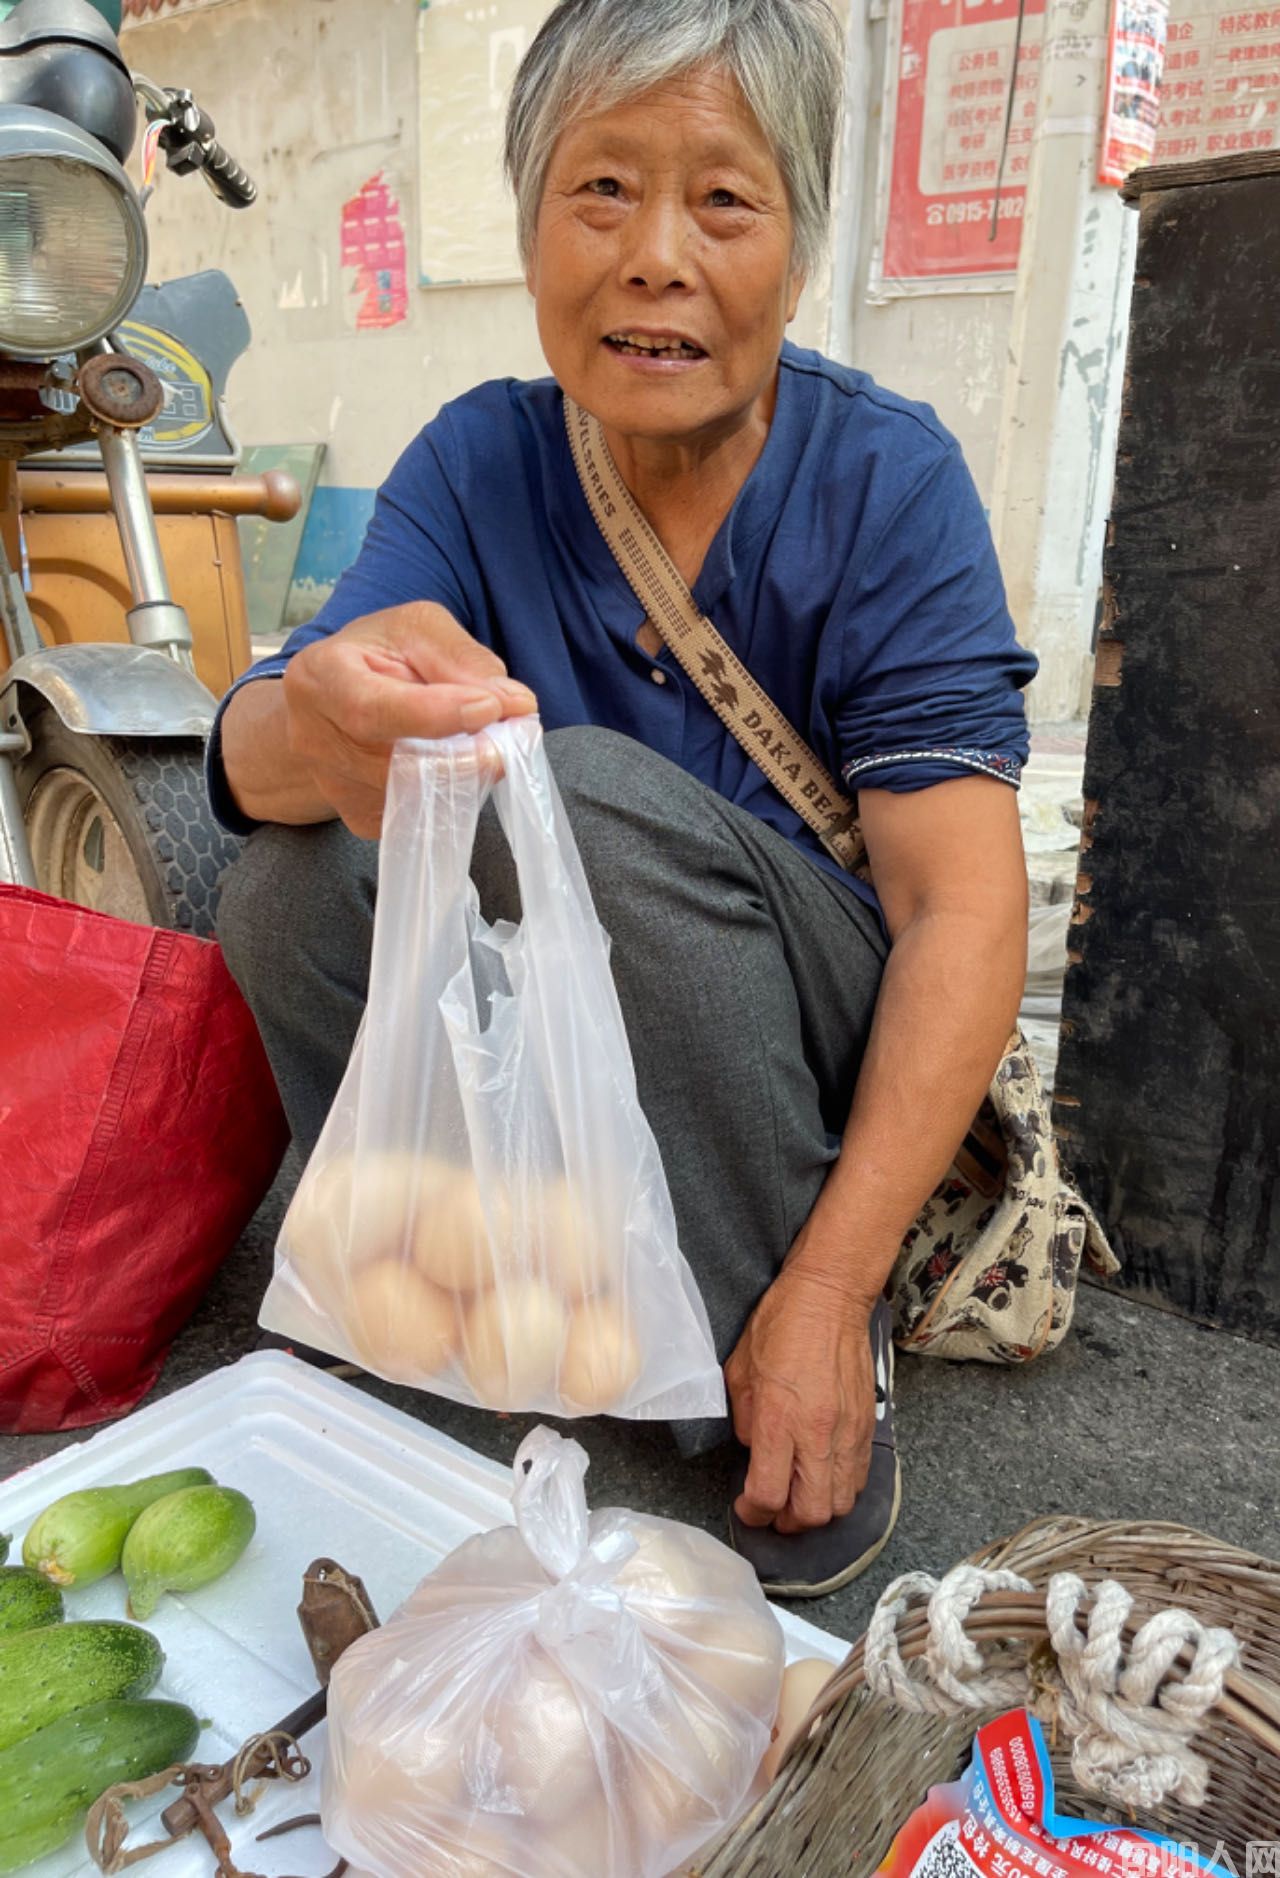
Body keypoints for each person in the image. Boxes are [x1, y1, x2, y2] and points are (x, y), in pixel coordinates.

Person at [213, 0, 1033, 1598]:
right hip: (583, 994)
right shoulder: (475, 461)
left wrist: (836, 1284)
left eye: (722, 201)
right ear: (531, 225)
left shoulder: (890, 481)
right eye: (601, 191)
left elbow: (963, 908)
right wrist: (312, 718)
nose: (657, 256)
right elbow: (251, 766)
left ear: (794, 254)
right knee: (294, 875)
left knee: (574, 800)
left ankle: (772, 1363)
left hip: (799, 1026)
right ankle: (461, 1317)